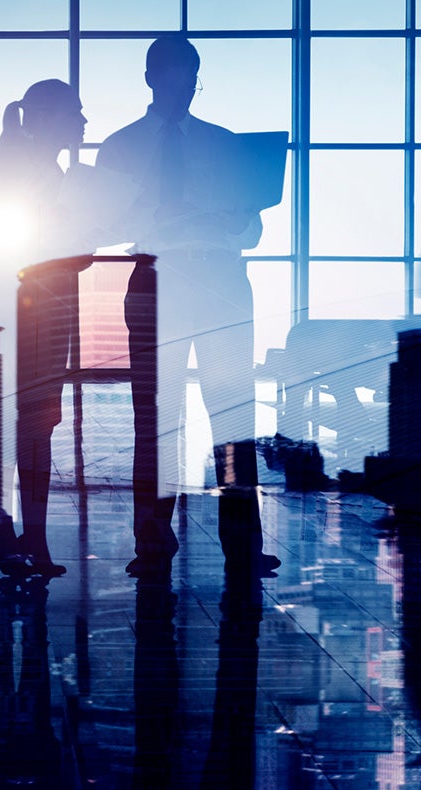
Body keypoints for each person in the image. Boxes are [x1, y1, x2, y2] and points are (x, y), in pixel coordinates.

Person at [95, 36, 278, 580]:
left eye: (190, 77)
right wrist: (158, 212)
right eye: (172, 76)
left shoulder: (226, 146)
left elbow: (255, 227)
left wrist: (232, 220)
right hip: (158, 277)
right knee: (154, 416)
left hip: (220, 276)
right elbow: (103, 225)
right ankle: (152, 540)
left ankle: (242, 545)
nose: (182, 87)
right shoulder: (119, 148)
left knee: (231, 413)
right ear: (150, 77)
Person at [0, 79, 94, 582]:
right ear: (48, 118)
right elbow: (11, 245)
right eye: (76, 114)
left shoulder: (42, 170)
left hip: (43, 308)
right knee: (17, 422)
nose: (84, 123)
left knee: (34, 423)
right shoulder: (14, 169)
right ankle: (7, 534)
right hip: (22, 309)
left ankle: (28, 538)